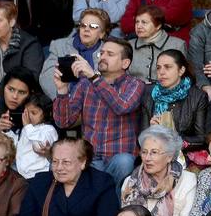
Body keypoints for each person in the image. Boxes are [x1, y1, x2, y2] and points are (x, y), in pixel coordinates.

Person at [52, 37, 144, 189]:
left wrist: (94, 77)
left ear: (125, 63)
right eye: (101, 53)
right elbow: (64, 122)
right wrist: (62, 90)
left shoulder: (135, 84)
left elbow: (122, 106)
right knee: (63, 165)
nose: (103, 57)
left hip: (119, 156)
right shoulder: (85, 84)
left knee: (124, 161)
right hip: (90, 157)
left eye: (110, 54)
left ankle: (115, 210)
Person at [120, 125, 197, 216]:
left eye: (154, 152)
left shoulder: (187, 180)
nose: (147, 158)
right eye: (144, 152)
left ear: (169, 156)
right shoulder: (130, 182)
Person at [140, 48, 208, 154]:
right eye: (158, 68)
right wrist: (151, 131)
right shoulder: (149, 96)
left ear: (181, 70)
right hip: (155, 155)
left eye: (168, 67)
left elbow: (201, 139)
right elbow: (140, 141)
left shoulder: (198, 96)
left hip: (186, 155)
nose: (161, 72)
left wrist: (172, 137)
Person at [0, 0, 45, 89]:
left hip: (19, 98)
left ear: (11, 22)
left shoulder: (29, 44)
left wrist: (0, 89)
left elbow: (31, 78)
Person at [40, 7, 109, 96]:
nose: (86, 29)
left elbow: (113, 83)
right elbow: (46, 78)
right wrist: (65, 98)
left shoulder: (110, 51)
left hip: (97, 106)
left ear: (102, 33)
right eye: (83, 25)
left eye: (93, 26)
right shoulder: (60, 46)